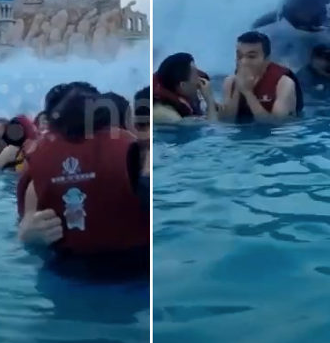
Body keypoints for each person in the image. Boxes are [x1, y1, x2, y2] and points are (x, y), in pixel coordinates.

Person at [17, 82, 148, 277]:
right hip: (136, 277)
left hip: (68, 279)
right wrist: (28, 234)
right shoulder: (138, 158)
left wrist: (25, 237)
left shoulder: (41, 169)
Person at [219, 31, 302, 123]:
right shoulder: (229, 82)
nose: (243, 62)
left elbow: (278, 125)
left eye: (251, 56)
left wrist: (248, 93)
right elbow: (227, 122)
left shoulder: (284, 84)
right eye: (239, 56)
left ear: (267, 59)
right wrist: (238, 89)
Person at [152, 53, 217, 123]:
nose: (200, 79)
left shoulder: (184, 93)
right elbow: (211, 127)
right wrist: (209, 100)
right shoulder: (168, 116)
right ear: (183, 85)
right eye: (195, 75)